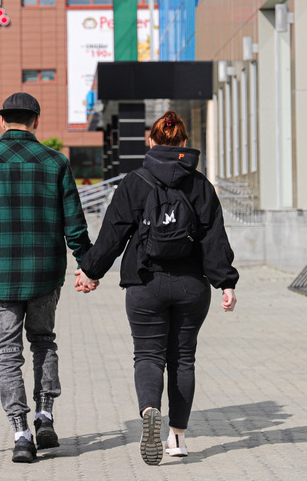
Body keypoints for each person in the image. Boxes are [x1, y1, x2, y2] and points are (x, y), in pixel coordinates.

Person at [77, 110, 237, 466]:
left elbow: (114, 233)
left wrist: (90, 271)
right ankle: (177, 438)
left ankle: (150, 410)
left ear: (151, 141)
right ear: (183, 143)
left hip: (145, 283)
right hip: (192, 286)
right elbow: (214, 239)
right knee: (182, 359)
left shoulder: (135, 181)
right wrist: (226, 282)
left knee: (148, 355)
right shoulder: (200, 185)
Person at [0, 92, 92, 464]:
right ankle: (45, 414)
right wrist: (87, 264)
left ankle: (21, 432)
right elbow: (73, 222)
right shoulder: (55, 162)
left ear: (2, 121)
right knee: (44, 341)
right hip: (45, 271)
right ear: (36, 121)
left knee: (7, 353)